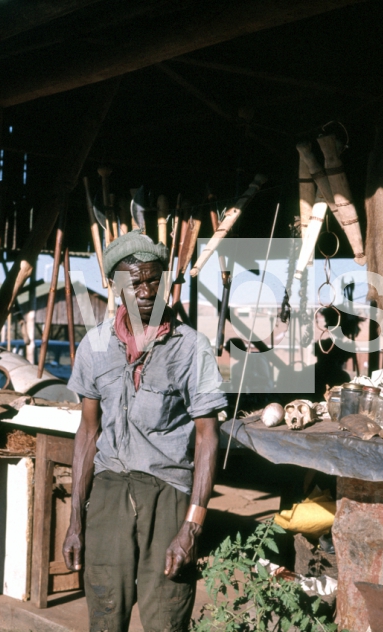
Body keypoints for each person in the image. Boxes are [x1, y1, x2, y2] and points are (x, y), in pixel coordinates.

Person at [63, 230, 228, 631]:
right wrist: (75, 521)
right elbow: (87, 432)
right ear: (114, 286)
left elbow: (208, 436)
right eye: (134, 282)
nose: (146, 291)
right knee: (104, 613)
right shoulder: (94, 346)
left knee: (166, 615)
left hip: (167, 494)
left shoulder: (191, 347)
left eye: (154, 279)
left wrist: (192, 525)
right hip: (107, 496)